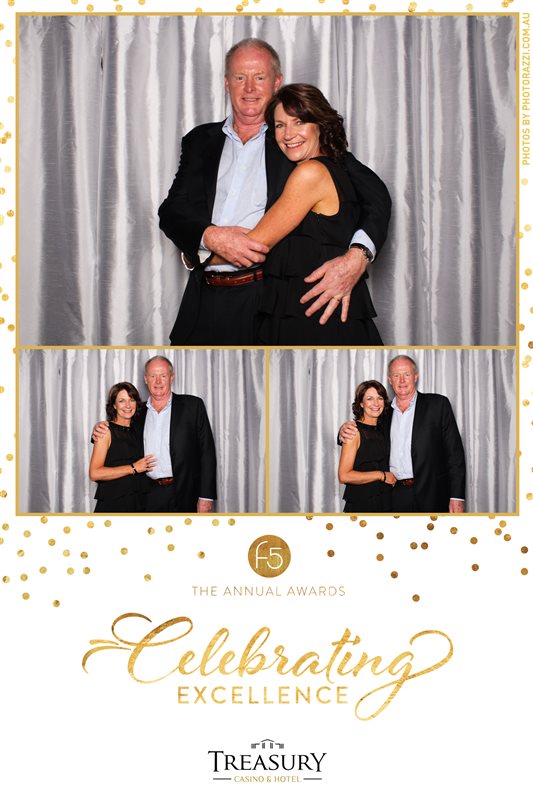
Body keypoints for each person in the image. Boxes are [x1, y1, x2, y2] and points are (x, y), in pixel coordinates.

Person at [158, 38, 391, 345]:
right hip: (203, 298)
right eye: (240, 77)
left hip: (268, 298)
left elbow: (375, 195)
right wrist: (208, 238)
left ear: (276, 82)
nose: (249, 88)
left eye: (259, 77)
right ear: (227, 83)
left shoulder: (296, 142)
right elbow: (172, 210)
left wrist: (358, 255)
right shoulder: (199, 140)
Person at [250, 84, 382, 344]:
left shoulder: (310, 172)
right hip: (309, 307)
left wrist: (202, 250)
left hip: (315, 313)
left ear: (320, 124)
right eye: (280, 125)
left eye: (299, 122)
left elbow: (255, 245)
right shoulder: (329, 168)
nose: (288, 134)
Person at [339, 356, 466, 513]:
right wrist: (342, 432)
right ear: (390, 380)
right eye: (396, 375)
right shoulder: (383, 412)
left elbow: (455, 454)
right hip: (392, 494)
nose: (402, 380)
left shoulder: (437, 405)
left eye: (406, 374)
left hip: (432, 494)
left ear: (415, 376)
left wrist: (457, 497)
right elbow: (366, 431)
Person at [92, 357, 217, 513]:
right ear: (146, 379)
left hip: (185, 493)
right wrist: (99, 429)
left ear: (172, 377)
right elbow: (120, 433)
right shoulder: (137, 412)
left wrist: (206, 497)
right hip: (146, 495)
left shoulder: (193, 406)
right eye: (152, 376)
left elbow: (207, 452)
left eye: (163, 376)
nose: (158, 382)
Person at [89, 382, 156, 513]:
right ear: (114, 405)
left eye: (132, 400)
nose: (128, 405)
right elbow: (94, 473)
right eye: (121, 401)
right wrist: (133, 468)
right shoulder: (105, 431)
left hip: (139, 501)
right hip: (114, 504)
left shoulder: (138, 429)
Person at [338, 381, 396, 512]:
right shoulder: (353, 432)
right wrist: (381, 475)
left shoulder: (383, 428)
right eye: (369, 398)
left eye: (380, 398)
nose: (376, 403)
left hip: (385, 499)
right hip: (363, 502)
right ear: (361, 403)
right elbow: (344, 476)